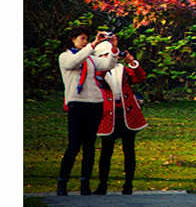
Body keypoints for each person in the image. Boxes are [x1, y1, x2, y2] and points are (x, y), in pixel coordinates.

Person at [57, 26, 119, 196]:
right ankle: (63, 181)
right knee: (74, 145)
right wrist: (92, 45)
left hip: (94, 103)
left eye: (86, 38)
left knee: (90, 146)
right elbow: (73, 63)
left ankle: (85, 183)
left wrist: (113, 48)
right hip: (77, 103)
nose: (85, 42)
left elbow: (108, 64)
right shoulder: (65, 57)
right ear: (73, 39)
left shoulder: (90, 59)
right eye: (82, 38)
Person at [92, 35, 148, 195]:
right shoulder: (96, 72)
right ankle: (102, 185)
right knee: (106, 151)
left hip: (126, 114)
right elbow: (99, 81)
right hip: (108, 114)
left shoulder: (122, 69)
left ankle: (128, 184)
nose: (109, 58)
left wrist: (131, 60)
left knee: (129, 150)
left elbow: (139, 77)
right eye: (105, 55)